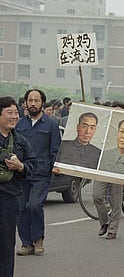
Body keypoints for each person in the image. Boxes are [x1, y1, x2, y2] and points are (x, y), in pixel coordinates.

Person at [15, 89, 61, 256]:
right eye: (30, 100)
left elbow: (56, 149)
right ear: (26, 103)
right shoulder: (19, 125)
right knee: (21, 208)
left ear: (42, 102)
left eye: (36, 100)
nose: (33, 103)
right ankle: (26, 243)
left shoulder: (51, 125)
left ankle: (38, 239)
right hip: (21, 173)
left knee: (34, 205)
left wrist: (56, 166)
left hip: (41, 173)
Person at [0, 96, 35, 277]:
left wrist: (20, 166)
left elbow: (32, 166)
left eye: (16, 113)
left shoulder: (21, 141)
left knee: (6, 246)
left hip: (9, 199)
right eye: (9, 112)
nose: (14, 116)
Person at [95, 118, 124, 240]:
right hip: (103, 173)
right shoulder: (106, 154)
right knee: (97, 196)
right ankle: (104, 222)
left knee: (116, 200)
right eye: (121, 131)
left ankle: (112, 229)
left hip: (121, 176)